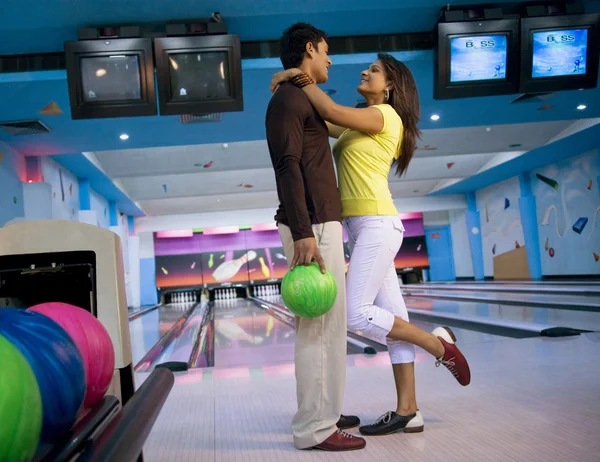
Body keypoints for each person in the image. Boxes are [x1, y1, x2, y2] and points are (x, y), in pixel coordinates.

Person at [270, 52, 471, 436]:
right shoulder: (354, 127)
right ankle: (409, 411)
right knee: (396, 319)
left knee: (356, 314)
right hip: (363, 228)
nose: (365, 71)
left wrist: (295, 73)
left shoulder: (384, 117)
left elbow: (326, 105)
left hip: (378, 224)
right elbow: (318, 115)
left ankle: (438, 345)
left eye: (374, 70)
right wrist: (290, 82)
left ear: (391, 86)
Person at [265, 23, 366, 451]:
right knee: (321, 329)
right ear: (310, 48)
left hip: (319, 223)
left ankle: (325, 410)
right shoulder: (287, 101)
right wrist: (305, 232)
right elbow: (286, 165)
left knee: (325, 326)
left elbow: (340, 122)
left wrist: (295, 76)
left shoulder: (298, 96)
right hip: (312, 226)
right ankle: (315, 429)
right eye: (326, 51)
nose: (330, 59)